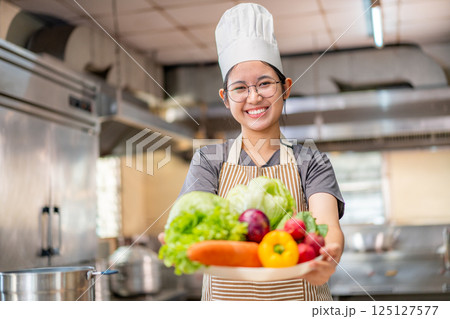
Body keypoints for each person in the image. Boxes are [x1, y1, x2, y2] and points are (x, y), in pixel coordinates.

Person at [159, 3, 344, 301]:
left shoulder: (311, 161)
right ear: (225, 97)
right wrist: (181, 235)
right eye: (240, 88)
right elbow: (195, 219)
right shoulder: (208, 161)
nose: (254, 97)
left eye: (265, 84)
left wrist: (329, 256)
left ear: (285, 88)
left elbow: (327, 228)